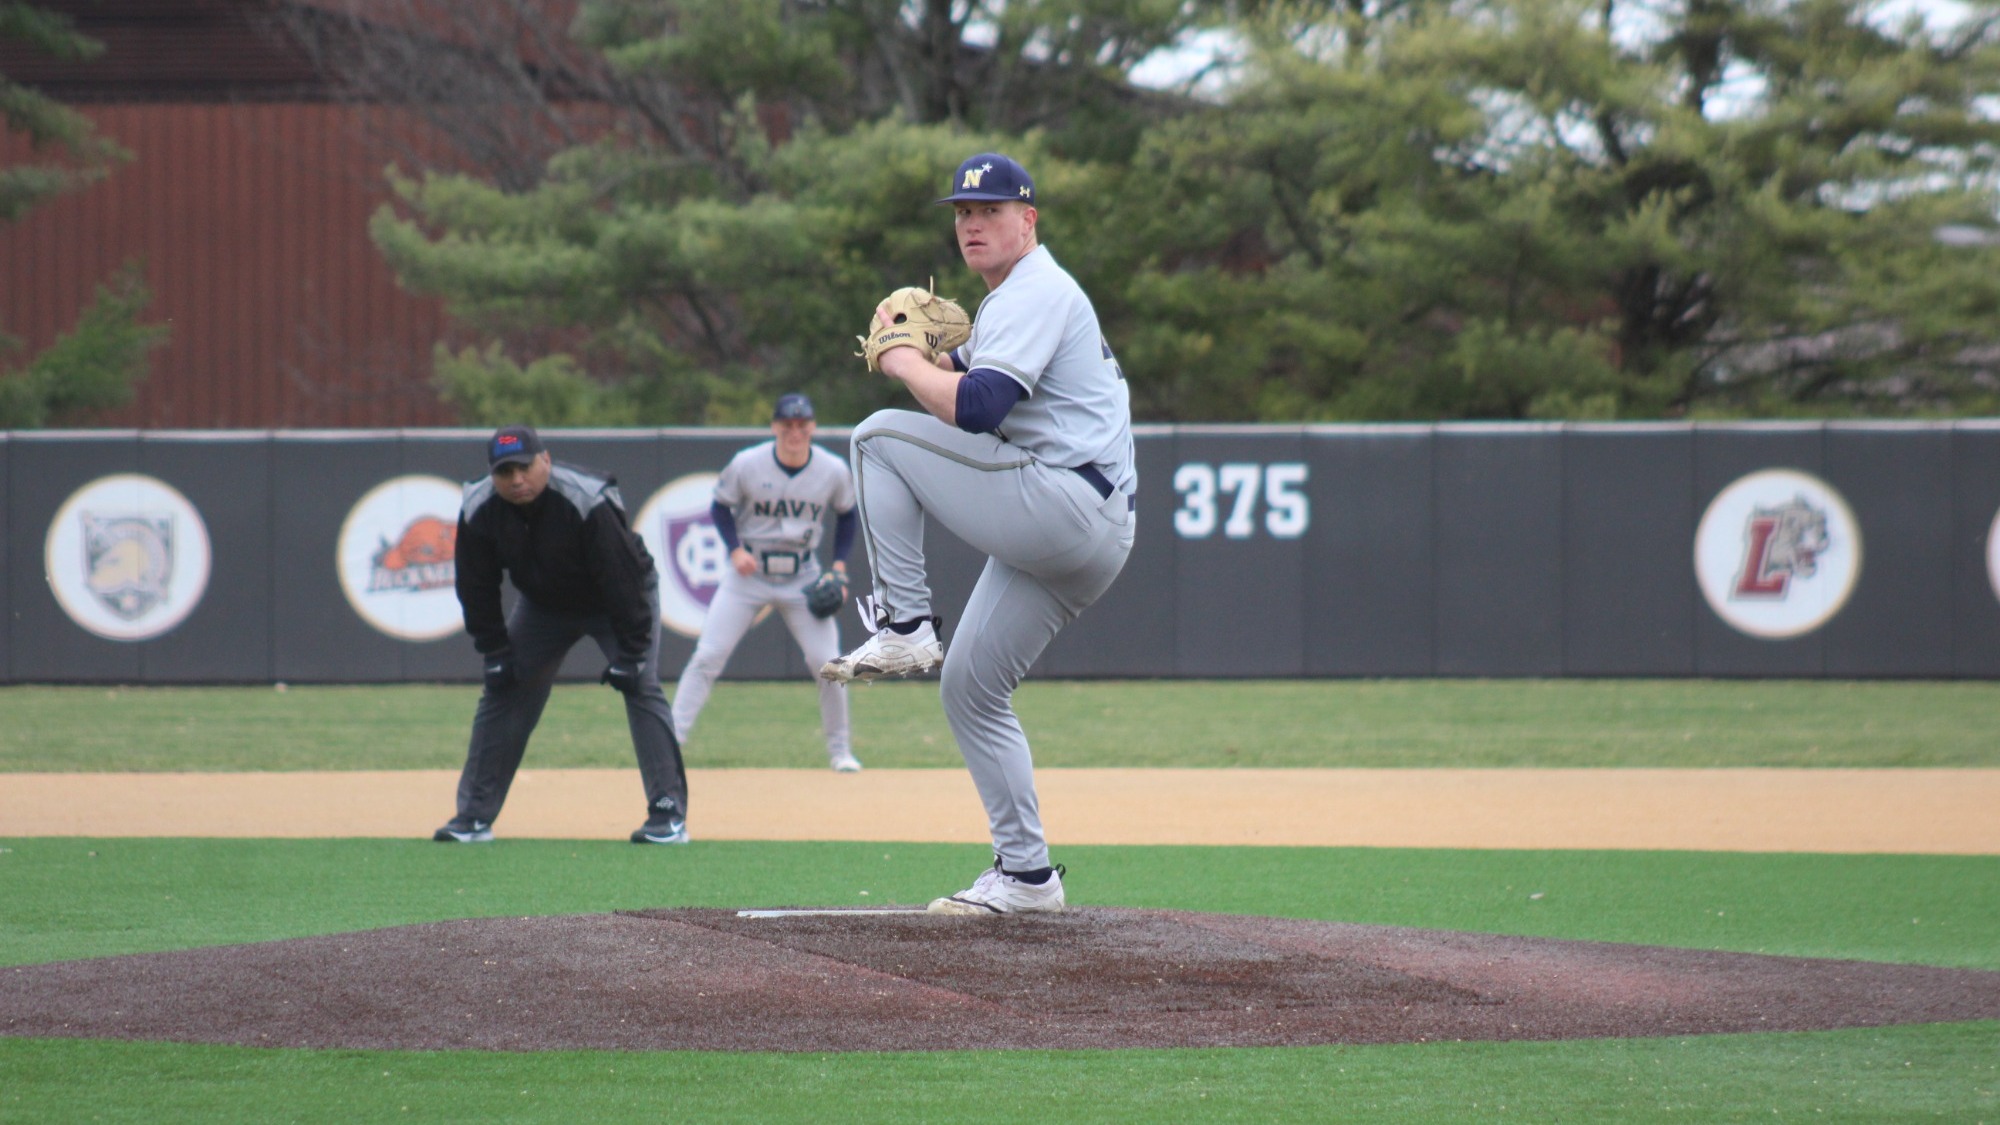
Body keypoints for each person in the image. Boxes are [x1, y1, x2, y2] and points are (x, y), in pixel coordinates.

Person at [822, 153, 1137, 914]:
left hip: (1063, 500)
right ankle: (1027, 877)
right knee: (970, 688)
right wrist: (933, 356)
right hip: (1087, 528)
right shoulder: (1011, 302)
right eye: (963, 212)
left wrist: (904, 360)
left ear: (1028, 220)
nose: (972, 223)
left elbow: (977, 406)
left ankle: (904, 624)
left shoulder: (1035, 289)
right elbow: (961, 379)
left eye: (991, 210)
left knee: (874, 439)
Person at [434, 424, 690, 845]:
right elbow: (475, 584)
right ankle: (473, 817)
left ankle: (667, 814)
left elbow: (622, 577)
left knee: (640, 685)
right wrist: (494, 649)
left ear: (546, 461)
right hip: (545, 606)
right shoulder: (479, 505)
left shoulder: (586, 498)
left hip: (616, 600)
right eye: (505, 472)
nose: (517, 479)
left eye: (525, 467)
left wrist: (632, 653)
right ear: (492, 475)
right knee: (503, 686)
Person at [669, 392, 863, 772]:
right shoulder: (748, 463)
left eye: (802, 424)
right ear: (775, 427)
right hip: (750, 574)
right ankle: (671, 740)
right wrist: (734, 550)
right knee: (708, 655)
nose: (795, 431)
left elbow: (847, 514)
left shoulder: (832, 469)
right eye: (787, 424)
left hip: (803, 575)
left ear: (812, 427)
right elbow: (720, 506)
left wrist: (838, 568)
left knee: (828, 664)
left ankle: (840, 752)